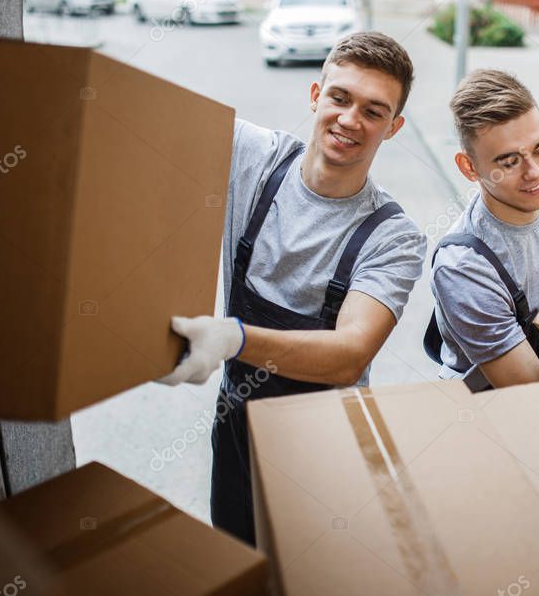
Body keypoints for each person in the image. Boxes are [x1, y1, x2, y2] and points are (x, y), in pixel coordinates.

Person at [159, 32, 426, 545]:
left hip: (324, 449)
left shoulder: (394, 237)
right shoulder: (255, 159)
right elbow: (150, 120)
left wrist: (233, 339)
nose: (350, 120)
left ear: (393, 128)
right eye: (340, 98)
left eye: (374, 111)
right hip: (236, 430)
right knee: (238, 560)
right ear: (314, 96)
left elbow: (348, 355)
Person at [423, 69, 539, 392]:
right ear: (469, 167)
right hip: (498, 407)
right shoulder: (463, 267)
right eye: (509, 162)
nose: (534, 173)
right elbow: (531, 393)